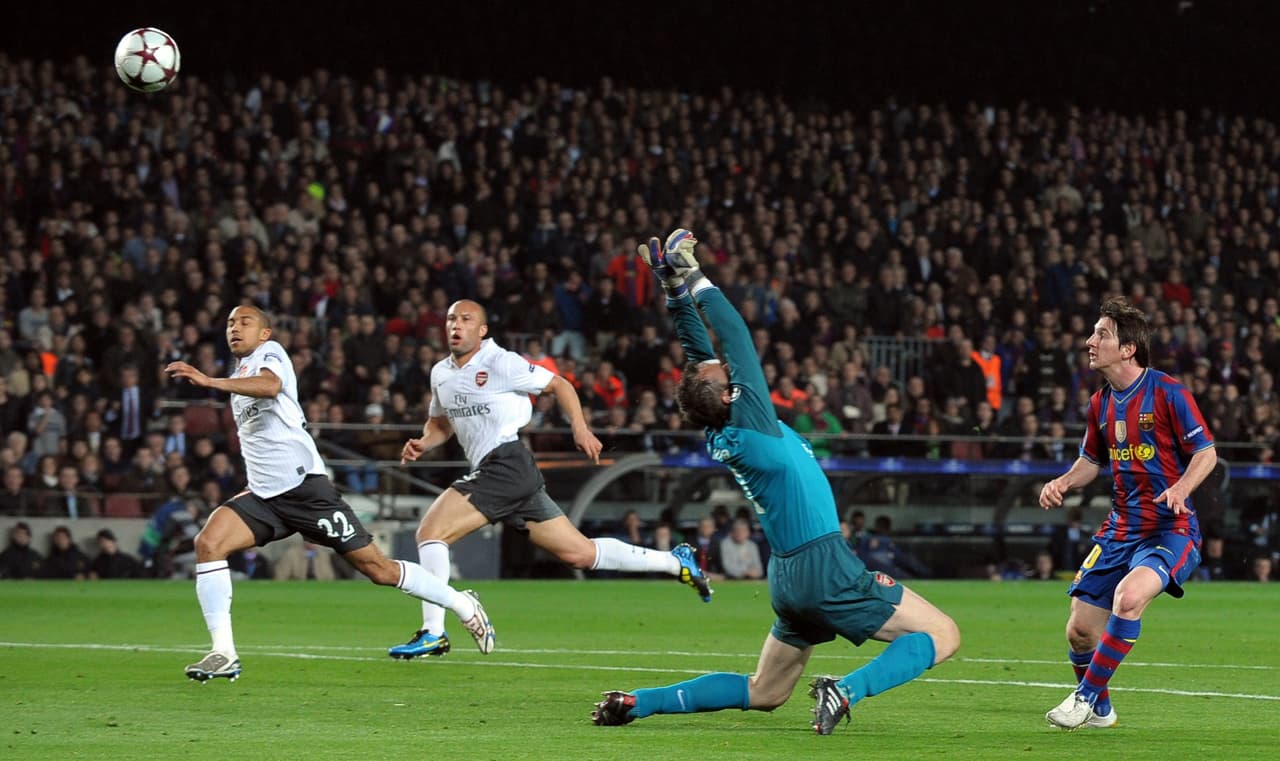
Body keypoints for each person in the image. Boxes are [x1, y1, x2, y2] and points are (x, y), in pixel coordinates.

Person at [592, 229, 959, 735]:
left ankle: (639, 702)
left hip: (788, 576)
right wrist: (695, 275)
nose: (725, 366)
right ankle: (845, 690)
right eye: (725, 375)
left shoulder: (718, 424)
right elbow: (735, 335)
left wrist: (672, 288)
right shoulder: (752, 419)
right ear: (729, 395)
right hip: (823, 565)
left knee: (765, 692)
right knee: (943, 634)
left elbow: (699, 355)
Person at [165, 304, 494, 683]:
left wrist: (209, 381)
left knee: (379, 570)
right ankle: (223, 652)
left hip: (306, 491)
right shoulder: (241, 374)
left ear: (265, 333)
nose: (234, 328)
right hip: (265, 497)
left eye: (245, 322)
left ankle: (462, 603)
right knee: (209, 543)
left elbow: (270, 386)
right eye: (229, 323)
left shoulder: (270, 355)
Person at [389, 299, 712, 659]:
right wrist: (424, 442)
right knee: (580, 553)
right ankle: (675, 562)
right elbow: (440, 423)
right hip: (507, 474)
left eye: (466, 319)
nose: (456, 325)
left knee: (431, 533)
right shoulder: (441, 373)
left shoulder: (501, 362)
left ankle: (434, 631)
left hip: (506, 464)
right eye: (451, 319)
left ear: (482, 331)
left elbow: (559, 385)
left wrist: (580, 428)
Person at [1039, 297, 1217, 730]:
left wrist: (1181, 488)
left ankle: (1083, 699)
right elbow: (1091, 461)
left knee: (1130, 597)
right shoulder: (1099, 404)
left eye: (1101, 334)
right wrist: (1063, 481)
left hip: (1170, 528)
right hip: (1120, 529)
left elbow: (1206, 453)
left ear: (1128, 349)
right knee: (1080, 631)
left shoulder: (1169, 393)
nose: (1090, 341)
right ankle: (1101, 711)